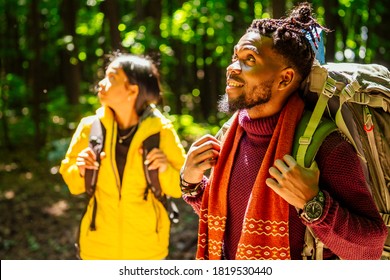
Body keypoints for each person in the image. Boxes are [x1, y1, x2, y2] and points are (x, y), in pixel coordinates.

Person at [180, 2, 388, 260]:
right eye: (236, 57)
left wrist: (314, 204)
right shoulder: (230, 137)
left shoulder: (325, 146)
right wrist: (191, 185)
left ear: (285, 78)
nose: (232, 67)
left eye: (249, 59)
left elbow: (370, 249)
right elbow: (227, 221)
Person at [60, 53, 186, 260]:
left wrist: (163, 169)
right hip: (97, 247)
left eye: (111, 77)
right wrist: (81, 169)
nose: (101, 83)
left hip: (147, 250)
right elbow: (73, 184)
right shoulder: (90, 128)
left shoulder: (161, 131)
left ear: (132, 90)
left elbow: (181, 187)